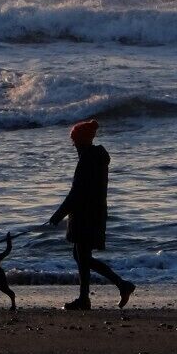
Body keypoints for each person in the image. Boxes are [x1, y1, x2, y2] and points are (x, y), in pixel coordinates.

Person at [46, 119, 134, 310]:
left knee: (83, 257)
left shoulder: (87, 160)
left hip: (86, 215)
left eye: (75, 141)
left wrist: (58, 215)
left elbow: (77, 193)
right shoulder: (95, 158)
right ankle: (87, 297)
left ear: (83, 140)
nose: (73, 145)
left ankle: (120, 285)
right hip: (93, 213)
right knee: (81, 256)